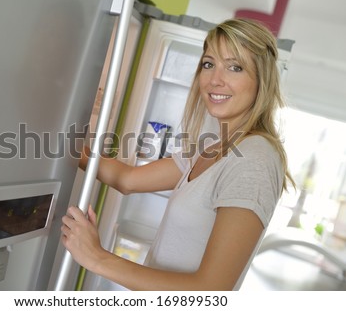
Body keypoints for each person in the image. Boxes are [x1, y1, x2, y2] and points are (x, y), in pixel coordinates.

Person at [61, 18, 294, 291]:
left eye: (235, 67)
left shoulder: (255, 158)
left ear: (261, 80)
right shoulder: (212, 148)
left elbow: (211, 289)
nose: (215, 80)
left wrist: (97, 258)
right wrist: (61, 146)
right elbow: (128, 179)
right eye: (208, 64)